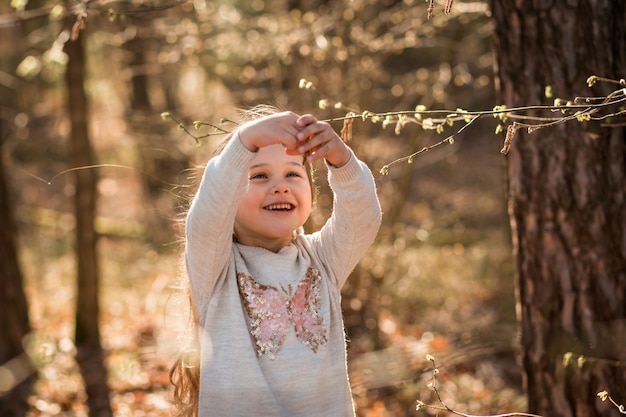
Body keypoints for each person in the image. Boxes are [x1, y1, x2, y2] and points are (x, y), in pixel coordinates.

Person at [170, 108, 382, 417]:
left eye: (293, 174)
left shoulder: (323, 259)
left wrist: (342, 161)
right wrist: (244, 142)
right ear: (229, 194)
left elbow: (363, 217)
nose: (281, 186)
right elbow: (207, 215)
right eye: (259, 175)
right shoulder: (216, 267)